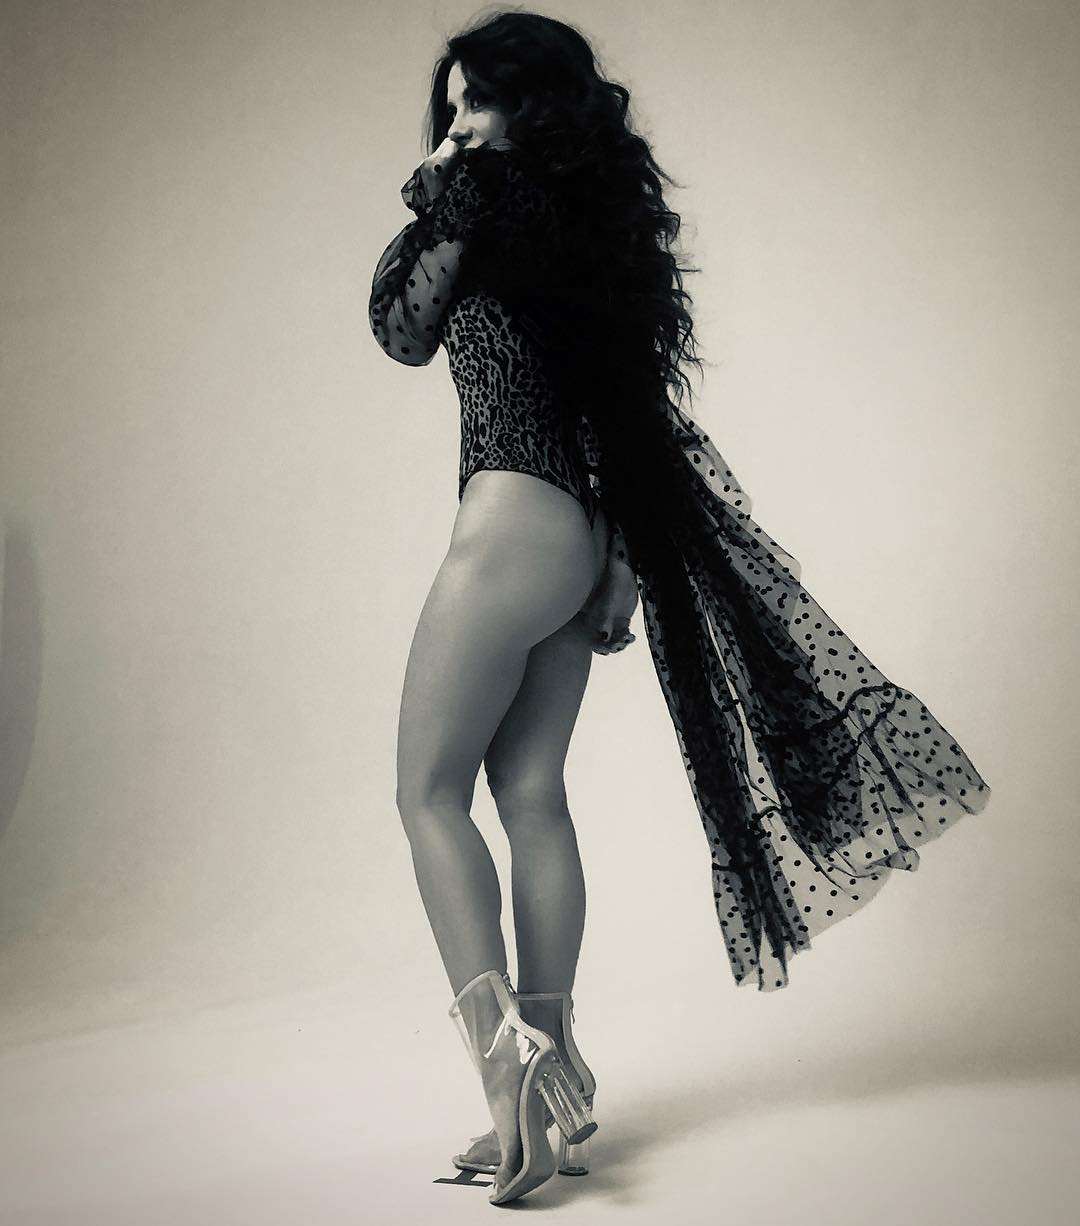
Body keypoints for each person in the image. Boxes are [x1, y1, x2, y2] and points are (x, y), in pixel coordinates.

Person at [368, 10, 992, 1207]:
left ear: (532, 105)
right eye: (449, 109)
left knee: (427, 793)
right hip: (579, 531)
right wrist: (618, 562)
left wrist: (439, 196)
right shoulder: (590, 219)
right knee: (530, 793)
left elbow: (402, 331)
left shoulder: (478, 204)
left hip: (505, 517)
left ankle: (507, 1085)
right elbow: (623, 409)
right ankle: (559, 1078)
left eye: (478, 103)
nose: (460, 128)